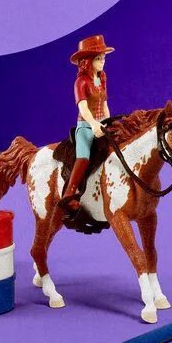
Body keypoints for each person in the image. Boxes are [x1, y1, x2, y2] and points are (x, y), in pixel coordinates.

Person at [59, 35, 115, 219]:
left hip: (101, 124)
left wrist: (109, 122)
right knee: (83, 157)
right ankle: (69, 194)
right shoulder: (81, 82)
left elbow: (105, 103)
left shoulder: (102, 78)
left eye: (103, 58)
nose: (102, 62)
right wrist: (93, 125)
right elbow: (83, 108)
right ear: (88, 61)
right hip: (85, 126)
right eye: (98, 58)